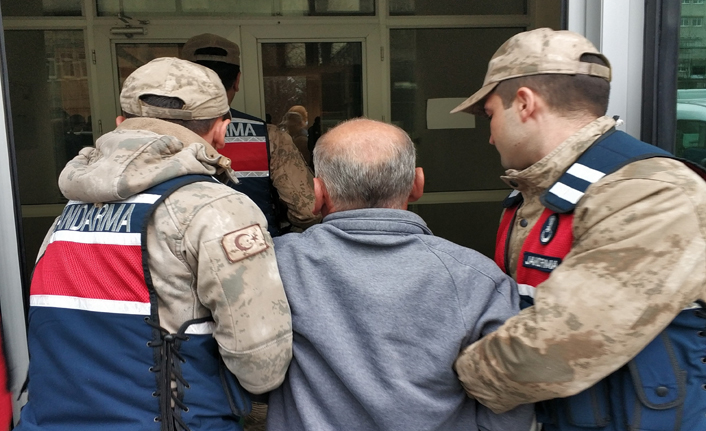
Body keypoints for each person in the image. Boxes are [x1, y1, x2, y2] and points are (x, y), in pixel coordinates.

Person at [15, 57, 292, 431]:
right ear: (222, 129)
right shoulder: (217, 209)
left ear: (120, 124)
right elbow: (263, 368)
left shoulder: (67, 217)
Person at [451, 28, 706, 431]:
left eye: (490, 115)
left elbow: (558, 349)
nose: (489, 135)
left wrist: (444, 379)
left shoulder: (650, 193)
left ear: (524, 104)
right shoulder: (537, 197)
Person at [266, 118, 534, 431]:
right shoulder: (477, 278)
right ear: (417, 184)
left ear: (318, 192)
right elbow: (513, 394)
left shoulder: (275, 265)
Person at [182, 34, 320, 236]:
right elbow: (308, 210)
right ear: (237, 81)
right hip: (254, 254)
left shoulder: (151, 133)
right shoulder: (269, 136)